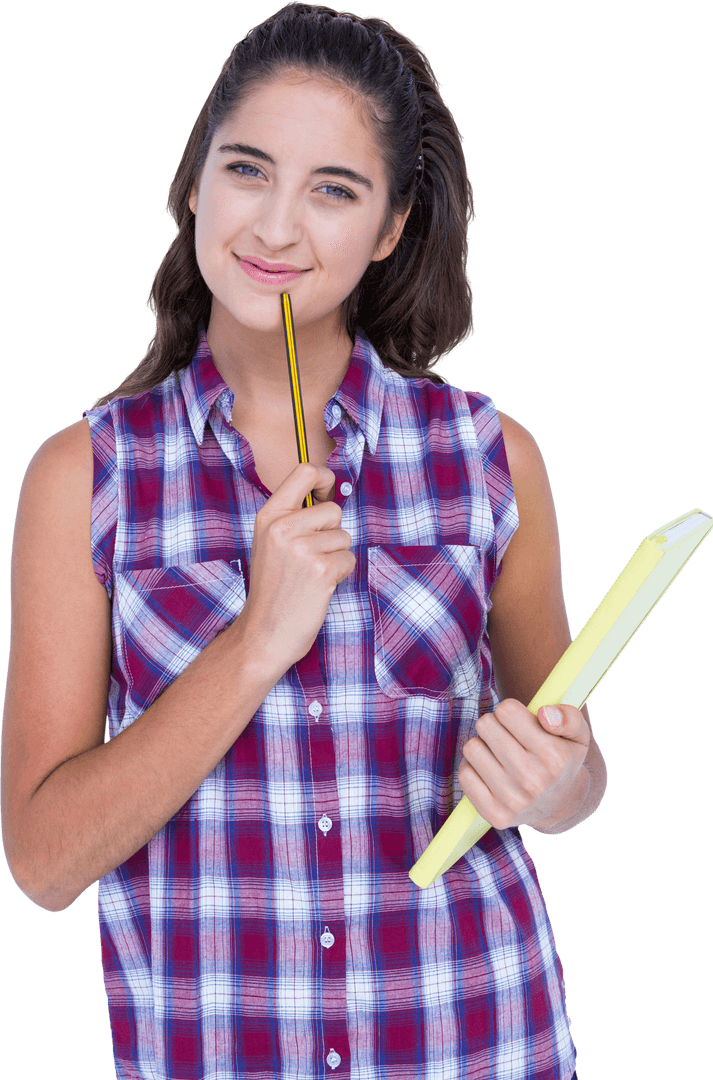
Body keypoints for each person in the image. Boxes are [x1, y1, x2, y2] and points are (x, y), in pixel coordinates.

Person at [0, 3, 605, 1077]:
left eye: (333, 191)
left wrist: (558, 786)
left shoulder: (487, 456)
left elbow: (567, 756)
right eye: (247, 170)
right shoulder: (83, 477)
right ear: (195, 182)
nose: (275, 228)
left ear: (389, 230)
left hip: (478, 1040)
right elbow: (44, 863)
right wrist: (253, 645)